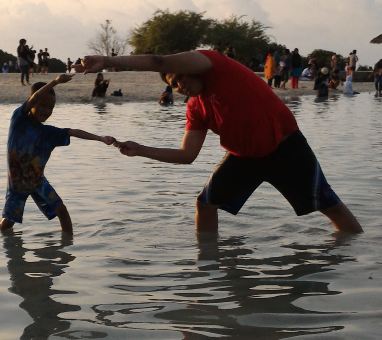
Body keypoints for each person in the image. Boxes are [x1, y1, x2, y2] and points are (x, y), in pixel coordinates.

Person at [78, 50, 363, 234]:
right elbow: (186, 155)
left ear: (194, 69)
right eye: (174, 83)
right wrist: (141, 150)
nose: (180, 85)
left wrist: (111, 61)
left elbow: (160, 61)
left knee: (330, 206)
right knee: (205, 204)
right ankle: (208, 266)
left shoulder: (216, 65)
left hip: (285, 147)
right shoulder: (195, 108)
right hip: (243, 158)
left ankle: (355, 257)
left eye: (181, 77)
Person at [0, 75, 116, 234]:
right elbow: (36, 97)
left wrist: (100, 138)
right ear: (31, 101)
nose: (46, 111)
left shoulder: (48, 133)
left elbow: (72, 132)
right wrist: (55, 82)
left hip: (38, 182)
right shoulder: (18, 121)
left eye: (51, 108)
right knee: (7, 224)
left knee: (62, 210)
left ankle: (66, 248)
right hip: (17, 186)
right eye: (43, 105)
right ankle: (1, 241)